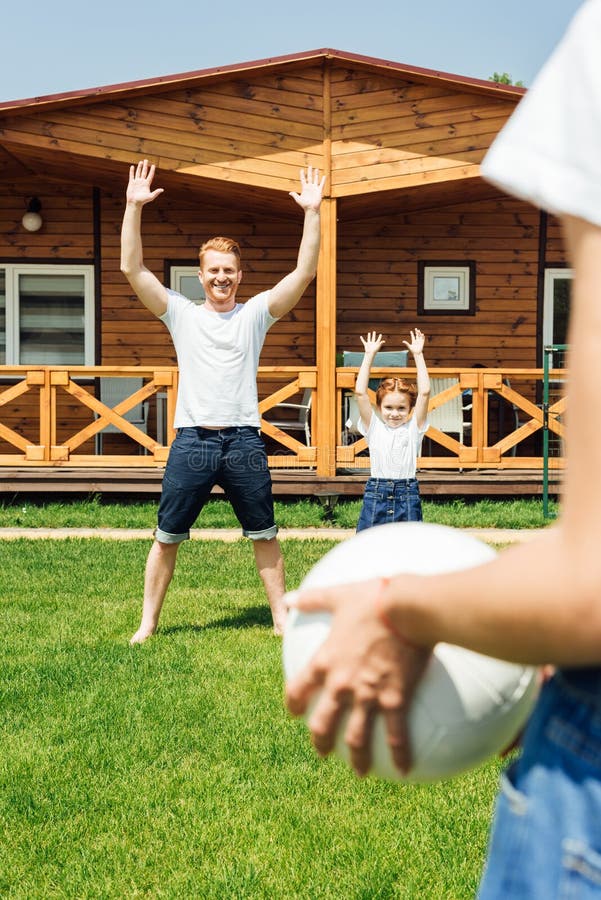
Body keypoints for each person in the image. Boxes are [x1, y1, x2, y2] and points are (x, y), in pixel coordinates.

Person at [286, 2, 601, 895]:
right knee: (380, 533)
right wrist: (375, 358)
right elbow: (359, 394)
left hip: (587, 791)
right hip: (379, 500)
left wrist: (398, 611)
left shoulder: (599, 59)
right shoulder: (372, 414)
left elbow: (594, 578)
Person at [121, 159, 325, 644]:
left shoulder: (255, 314)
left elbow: (304, 271)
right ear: (200, 275)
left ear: (240, 275)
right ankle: (148, 623)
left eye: (229, 271)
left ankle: (280, 618)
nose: (221, 278)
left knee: (265, 534)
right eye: (213, 270)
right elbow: (132, 267)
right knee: (167, 535)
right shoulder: (181, 315)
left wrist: (312, 213)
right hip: (192, 440)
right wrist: (133, 206)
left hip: (244, 442)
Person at [354, 329, 430, 532]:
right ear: (379, 408)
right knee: (367, 548)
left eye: (401, 408)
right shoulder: (374, 428)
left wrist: (418, 355)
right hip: (376, 495)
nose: (394, 413)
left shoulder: (414, 428)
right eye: (388, 407)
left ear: (410, 409)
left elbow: (424, 392)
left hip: (408, 494)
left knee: (409, 551)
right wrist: (369, 355)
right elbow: (360, 392)